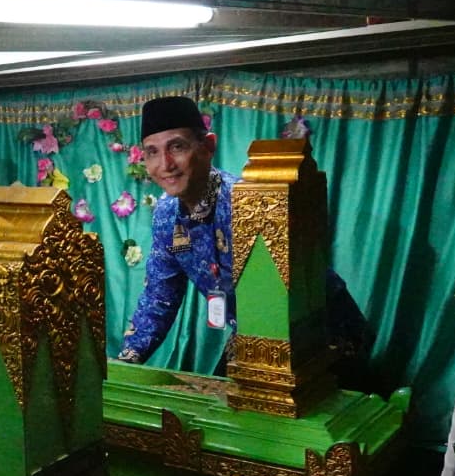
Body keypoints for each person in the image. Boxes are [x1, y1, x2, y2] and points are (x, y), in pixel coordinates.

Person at [117, 95, 371, 371]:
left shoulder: (248, 204)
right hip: (253, 331)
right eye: (152, 152)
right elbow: (159, 296)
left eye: (177, 147)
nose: (165, 164)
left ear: (208, 146)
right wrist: (127, 360)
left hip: (320, 326)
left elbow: (285, 293)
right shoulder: (166, 214)